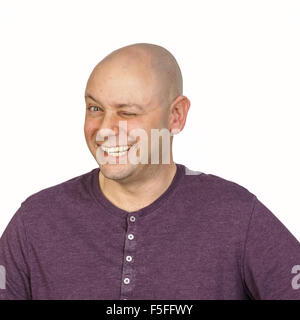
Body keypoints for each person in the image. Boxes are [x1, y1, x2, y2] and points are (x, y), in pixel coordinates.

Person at [0, 43, 299, 300]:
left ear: (176, 116)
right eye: (94, 108)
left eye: (127, 112)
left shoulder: (235, 215)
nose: (104, 129)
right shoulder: (36, 220)